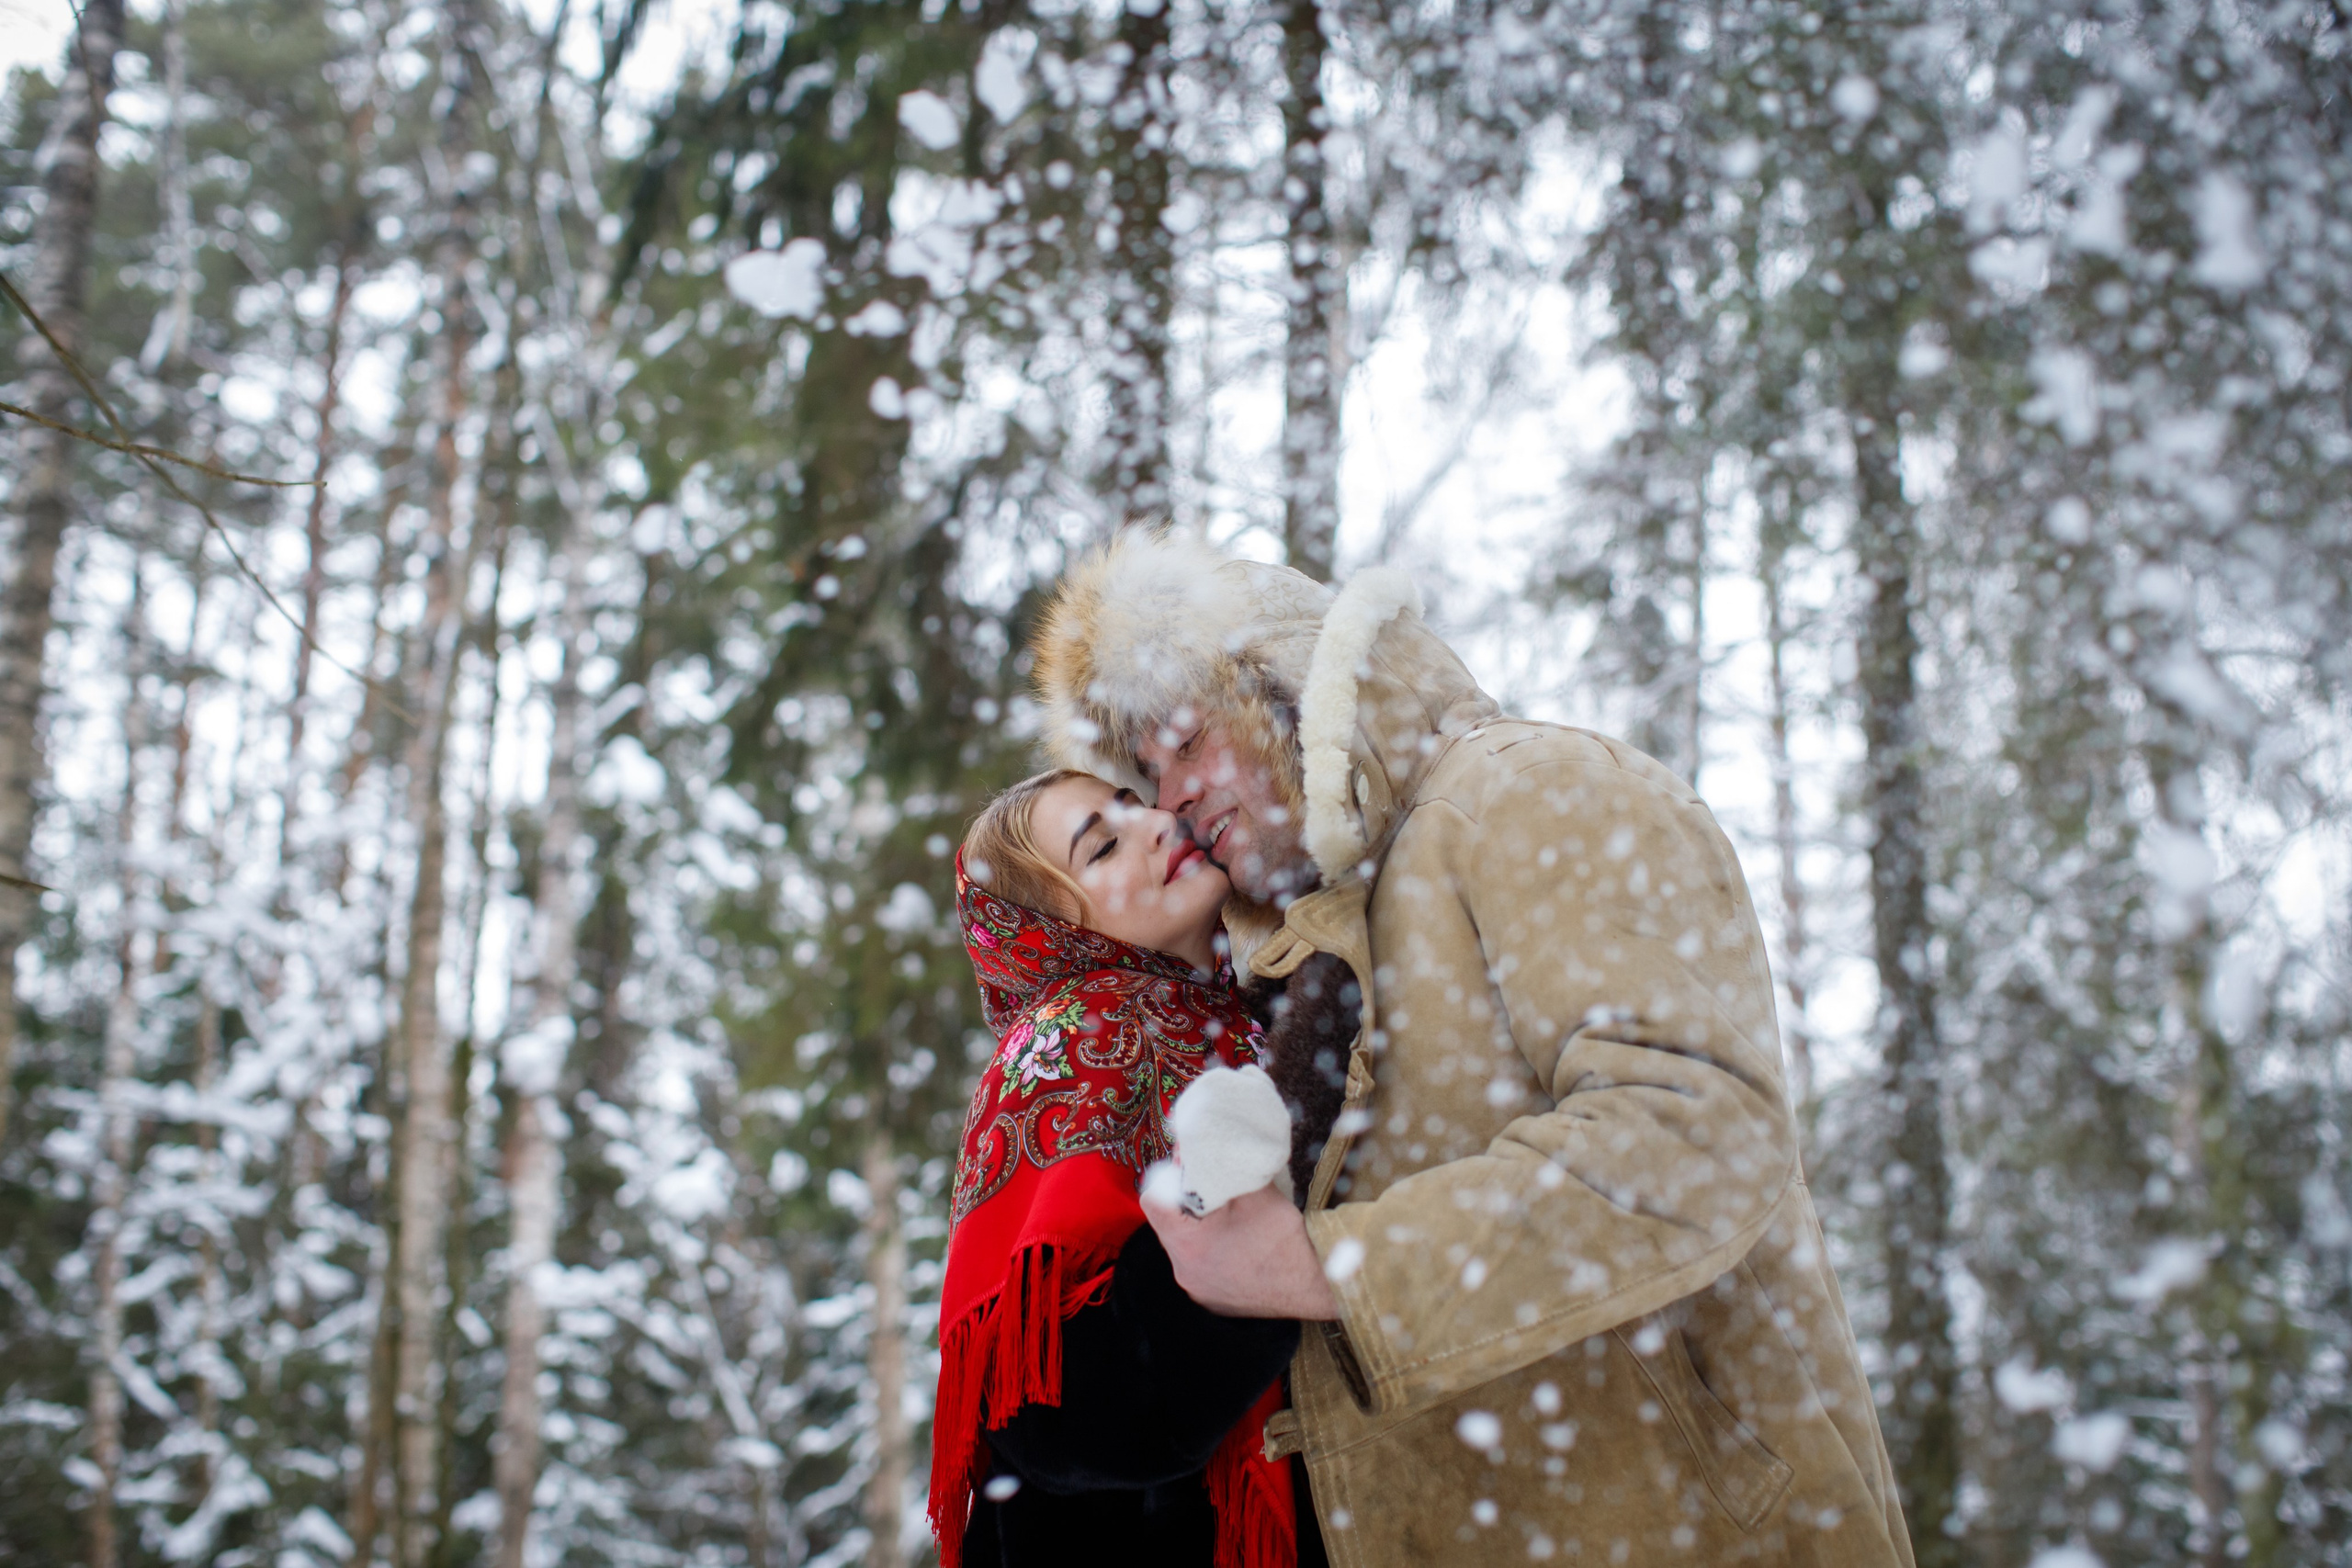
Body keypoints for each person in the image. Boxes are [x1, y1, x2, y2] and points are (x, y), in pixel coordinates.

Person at [1030, 531, 1915, 1567]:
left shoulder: (1524, 791)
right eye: (1144, 769)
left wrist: (1329, 1270)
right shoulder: (1312, 958)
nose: (1170, 793)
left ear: (1279, 691)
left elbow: (1696, 1137)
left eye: (1186, 740)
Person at [931, 768, 1330, 1568]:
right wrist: (1213, 1223)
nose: (1159, 822)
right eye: (1103, 845)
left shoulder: (1262, 1017)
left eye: (1134, 803)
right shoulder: (1063, 1054)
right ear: (1047, 930)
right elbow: (1055, 1408)